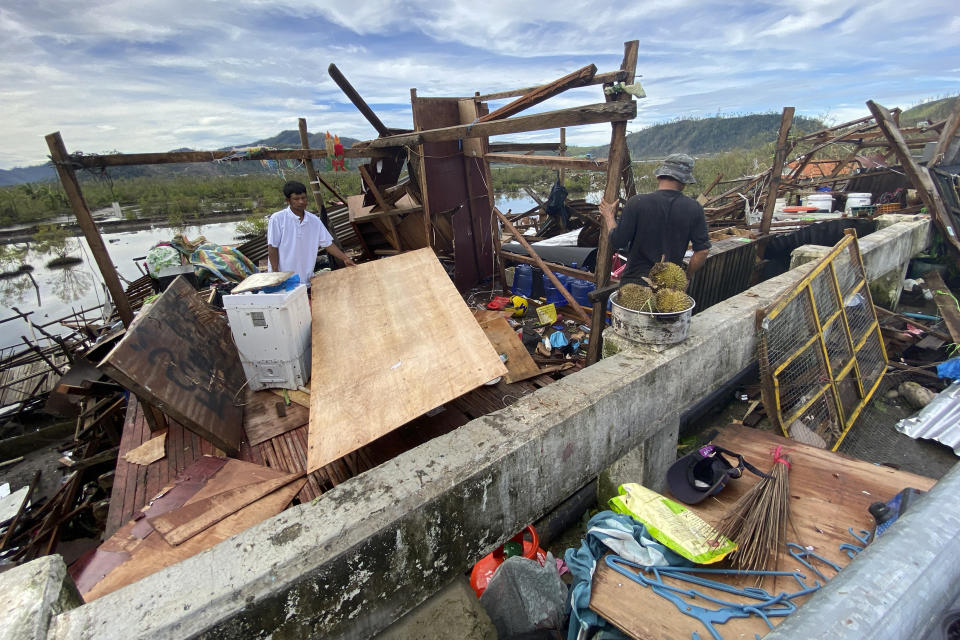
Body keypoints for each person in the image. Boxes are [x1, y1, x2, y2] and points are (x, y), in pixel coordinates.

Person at [599, 153, 710, 287]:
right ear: (685, 181)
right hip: (669, 288)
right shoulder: (694, 208)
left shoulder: (637, 203)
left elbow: (617, 241)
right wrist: (686, 276)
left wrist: (609, 217)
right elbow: (702, 251)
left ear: (659, 176)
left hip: (635, 284)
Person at [267, 180, 355, 285]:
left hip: (306, 277)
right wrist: (275, 273)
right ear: (288, 200)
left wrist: (345, 258)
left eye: (303, 198)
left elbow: (328, 244)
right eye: (296, 199)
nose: (301, 202)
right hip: (283, 278)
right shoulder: (277, 219)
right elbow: (273, 247)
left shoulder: (314, 220)